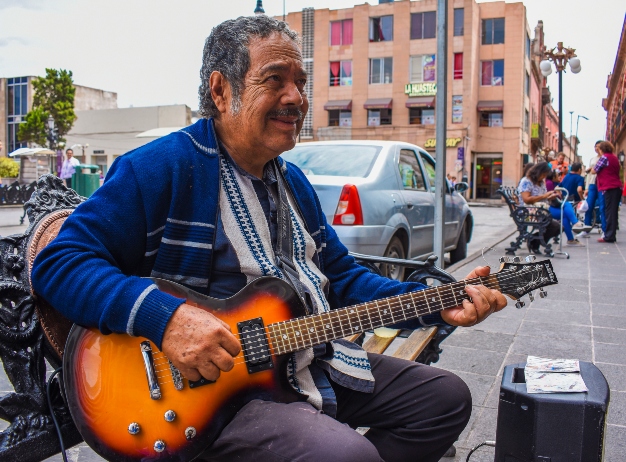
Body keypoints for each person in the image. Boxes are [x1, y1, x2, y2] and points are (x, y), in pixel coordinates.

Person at [31, 16, 507, 462]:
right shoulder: (160, 168)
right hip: (214, 398)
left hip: (306, 360)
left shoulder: (293, 182)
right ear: (221, 90)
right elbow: (59, 264)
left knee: (444, 400)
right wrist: (167, 319)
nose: (296, 96)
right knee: (348, 457)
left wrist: (433, 301)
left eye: (300, 82)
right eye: (275, 79)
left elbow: (339, 277)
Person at [518, 162, 583, 247]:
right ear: (538, 172)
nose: (544, 177)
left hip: (543, 209)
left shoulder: (541, 182)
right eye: (543, 174)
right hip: (530, 211)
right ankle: (535, 240)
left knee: (565, 211)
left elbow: (543, 198)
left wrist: (550, 197)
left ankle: (536, 241)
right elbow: (526, 199)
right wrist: (544, 196)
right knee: (563, 214)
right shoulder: (526, 181)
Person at [594, 141, 622, 243]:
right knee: (613, 212)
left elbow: (595, 170)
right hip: (616, 186)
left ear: (602, 149)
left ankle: (609, 236)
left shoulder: (604, 157)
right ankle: (611, 235)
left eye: (599, 149)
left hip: (609, 187)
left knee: (609, 212)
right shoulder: (615, 158)